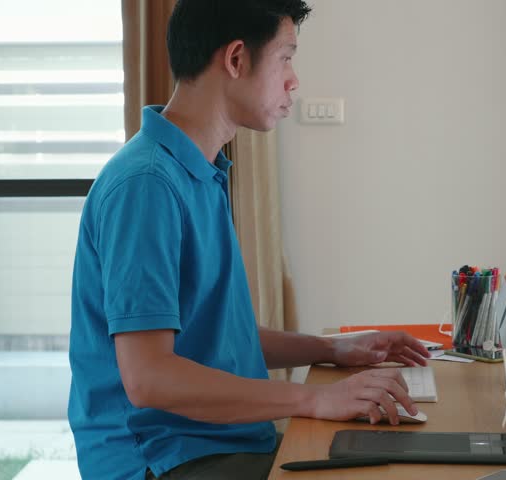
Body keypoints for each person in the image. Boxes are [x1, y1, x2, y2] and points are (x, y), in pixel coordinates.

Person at [68, 1, 430, 479]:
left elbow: (215, 338)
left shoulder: (197, 170)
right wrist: (315, 396)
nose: (294, 80)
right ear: (237, 59)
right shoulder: (148, 185)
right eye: (286, 58)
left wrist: (333, 350)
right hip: (164, 460)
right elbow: (149, 378)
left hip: (215, 444)